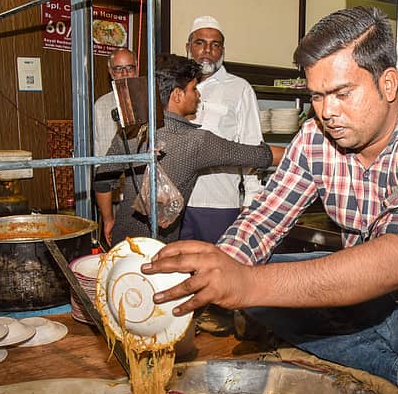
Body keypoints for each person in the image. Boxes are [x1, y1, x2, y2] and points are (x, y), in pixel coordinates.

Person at [142, 7, 398, 392]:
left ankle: (362, 337)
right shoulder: (313, 138)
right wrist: (215, 275)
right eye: (317, 97)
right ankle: (397, 366)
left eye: (342, 93)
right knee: (262, 290)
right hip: (370, 292)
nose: (328, 113)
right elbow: (263, 220)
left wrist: (251, 284)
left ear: (388, 84)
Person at [93, 54, 283, 246]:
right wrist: (304, 152)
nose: (198, 95)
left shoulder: (132, 131)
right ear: (177, 95)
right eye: (193, 89)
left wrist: (108, 220)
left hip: (122, 243)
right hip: (156, 250)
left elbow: (102, 181)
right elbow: (261, 155)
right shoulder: (196, 141)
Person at [181, 15, 265, 244]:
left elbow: (252, 146)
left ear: (222, 50)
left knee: (218, 273)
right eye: (200, 43)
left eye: (215, 45)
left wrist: (251, 202)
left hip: (218, 205)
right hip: (175, 203)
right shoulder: (175, 86)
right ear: (188, 47)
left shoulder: (239, 89)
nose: (207, 50)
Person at [94, 48, 139, 243]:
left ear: (136, 70)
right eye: (118, 69)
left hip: (145, 195)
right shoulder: (102, 106)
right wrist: (107, 216)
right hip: (113, 195)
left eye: (129, 68)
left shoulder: (151, 100)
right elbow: (102, 158)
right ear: (111, 73)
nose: (124, 74)